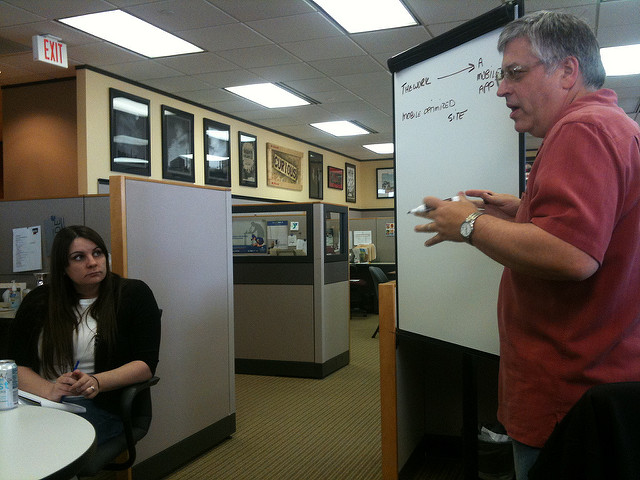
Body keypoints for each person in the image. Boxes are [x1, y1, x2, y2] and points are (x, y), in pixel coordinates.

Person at [414, 11, 640, 480]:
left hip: (567, 397)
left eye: (516, 72)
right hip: (592, 382)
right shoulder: (613, 125)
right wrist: (522, 214)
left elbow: (573, 255)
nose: (501, 89)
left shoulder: (582, 129)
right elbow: (600, 231)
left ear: (567, 71)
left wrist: (471, 224)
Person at [9, 225, 161, 445]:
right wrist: (49, 389)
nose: (92, 262)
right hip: (41, 402)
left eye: (97, 253)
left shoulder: (132, 294)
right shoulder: (39, 301)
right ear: (63, 267)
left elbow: (145, 365)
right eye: (79, 257)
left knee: (45, 445)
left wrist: (97, 382)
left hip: (99, 406)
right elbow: (17, 364)